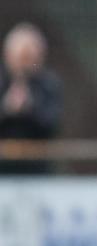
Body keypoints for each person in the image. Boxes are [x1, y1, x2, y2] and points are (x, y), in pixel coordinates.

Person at [0, 23, 62, 175]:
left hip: (37, 168)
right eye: (20, 57)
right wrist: (6, 109)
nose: (24, 64)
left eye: (29, 58)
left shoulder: (48, 84)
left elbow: (51, 125)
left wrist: (30, 108)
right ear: (7, 55)